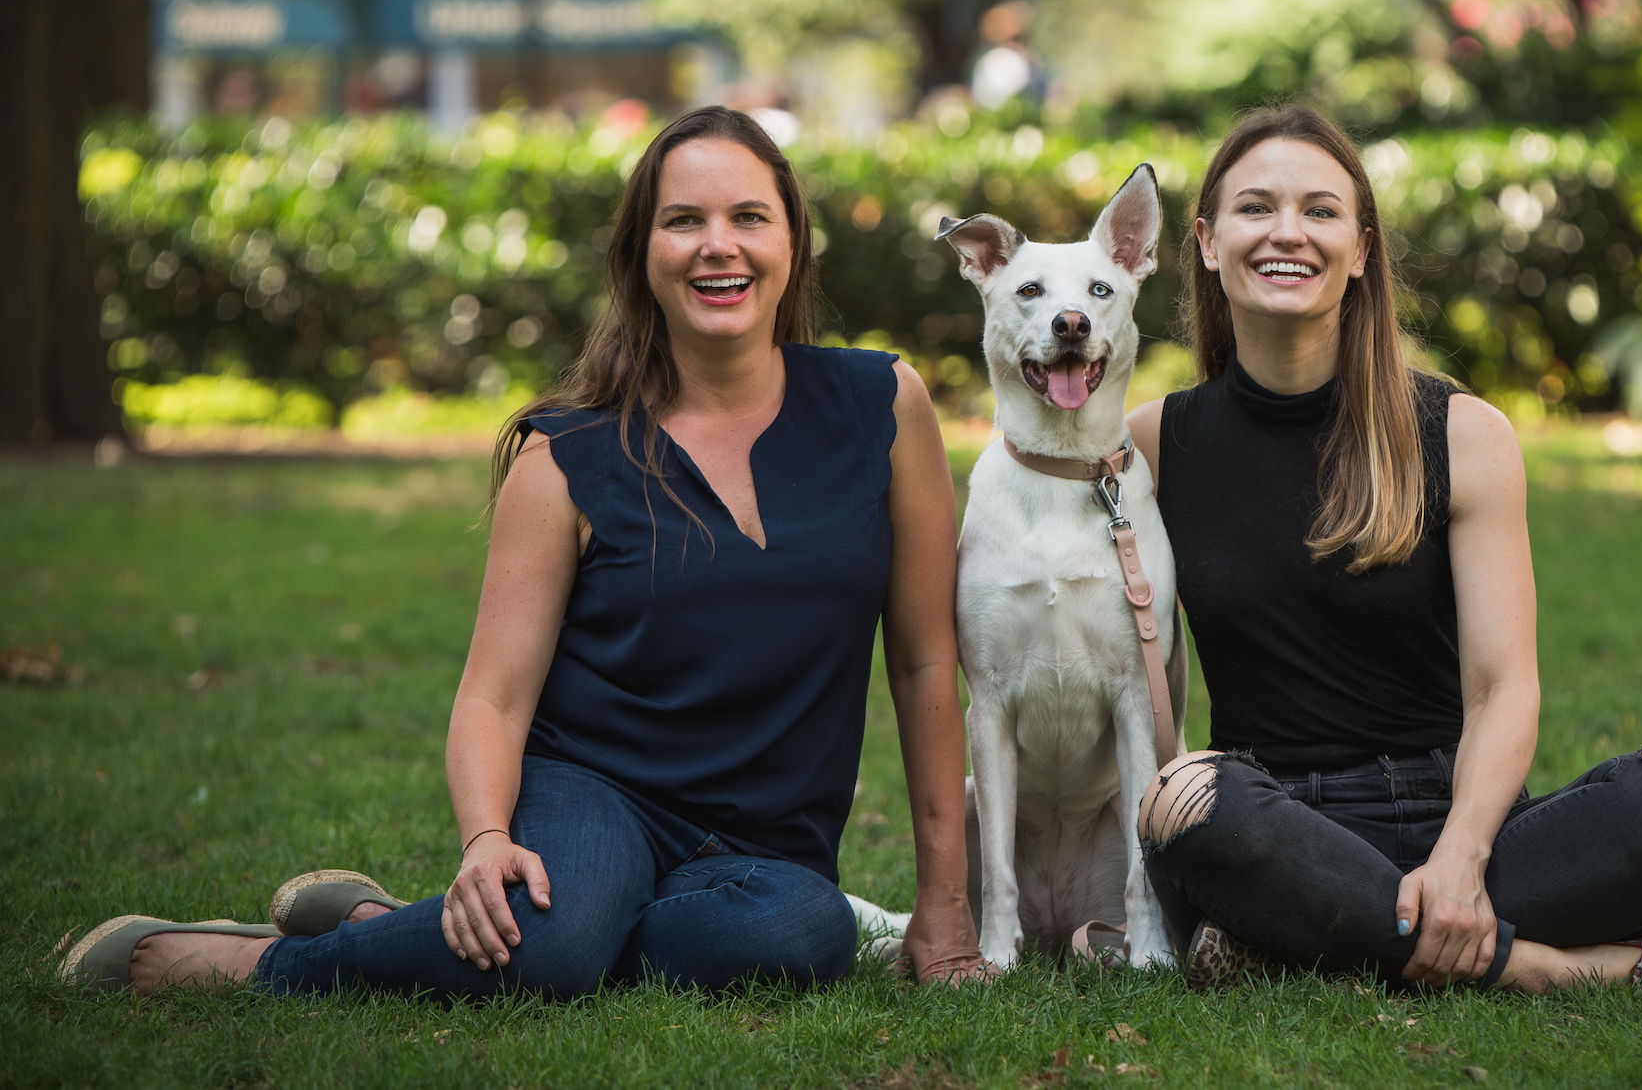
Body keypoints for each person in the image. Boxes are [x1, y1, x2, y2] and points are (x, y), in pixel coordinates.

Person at [64, 106, 985, 996]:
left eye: (749, 217)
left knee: (801, 935)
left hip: (765, 845)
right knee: (550, 942)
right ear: (640, 254)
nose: (719, 246)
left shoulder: (883, 406)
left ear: (792, 241)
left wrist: (945, 907)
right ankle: (247, 963)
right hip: (597, 792)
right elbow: (494, 698)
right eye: (683, 221)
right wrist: (486, 841)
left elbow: (923, 661)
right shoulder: (568, 456)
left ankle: (403, 928)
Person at [1125, 105, 1642, 996]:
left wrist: (1461, 856)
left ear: (1362, 250)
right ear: (1208, 242)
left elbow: (1503, 689)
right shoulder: (1154, 445)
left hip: (1460, 817)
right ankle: (1545, 970)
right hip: (1274, 826)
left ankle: (1302, 943)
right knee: (1182, 795)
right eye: (1256, 207)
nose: (1287, 233)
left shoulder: (1460, 432)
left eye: (1320, 211)